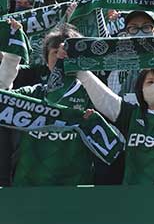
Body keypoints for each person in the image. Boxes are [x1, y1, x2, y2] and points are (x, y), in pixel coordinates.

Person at [0, 22, 95, 186]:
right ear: (46, 59)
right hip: (28, 188)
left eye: (68, 52)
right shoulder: (34, 93)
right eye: (55, 52)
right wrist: (12, 56)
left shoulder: (94, 96)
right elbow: (3, 96)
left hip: (77, 190)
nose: (61, 57)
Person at [76, 62, 154, 185]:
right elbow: (103, 97)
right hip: (133, 195)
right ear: (141, 89)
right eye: (150, 82)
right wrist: (77, 66)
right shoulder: (131, 114)